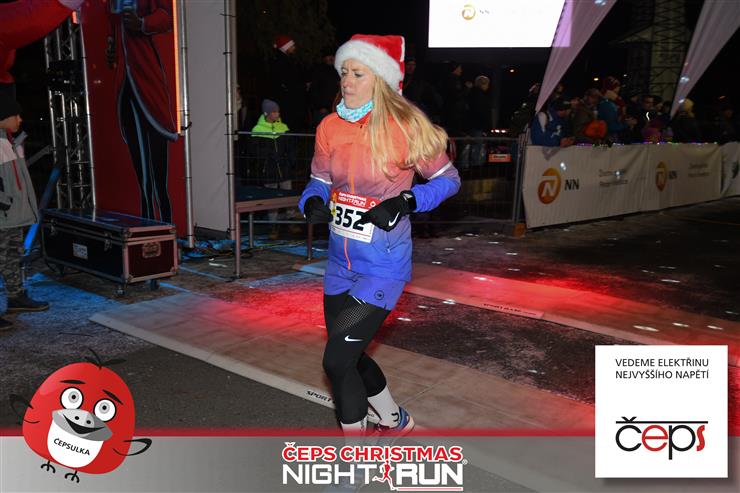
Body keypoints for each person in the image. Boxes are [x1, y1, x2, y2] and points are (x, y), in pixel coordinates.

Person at [299, 34, 460, 440]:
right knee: (349, 355)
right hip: (339, 263)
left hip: (382, 265)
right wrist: (312, 199)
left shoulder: (404, 127)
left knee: (336, 361)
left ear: (381, 80)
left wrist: (407, 201)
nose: (346, 82)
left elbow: (448, 179)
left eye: (358, 73)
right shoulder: (330, 126)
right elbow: (319, 179)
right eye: (344, 72)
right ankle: (394, 421)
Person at [107, 0, 179, 223]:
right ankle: (148, 218)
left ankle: (163, 219)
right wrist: (111, 43)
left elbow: (166, 15)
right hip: (125, 82)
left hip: (147, 76)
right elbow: (113, 24)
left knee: (157, 149)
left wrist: (143, 23)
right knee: (138, 154)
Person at [0, 85, 49, 331]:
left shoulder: (12, 142)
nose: (20, 119)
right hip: (3, 216)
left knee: (12, 257)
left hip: (14, 216)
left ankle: (16, 296)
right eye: (15, 115)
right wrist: (4, 204)